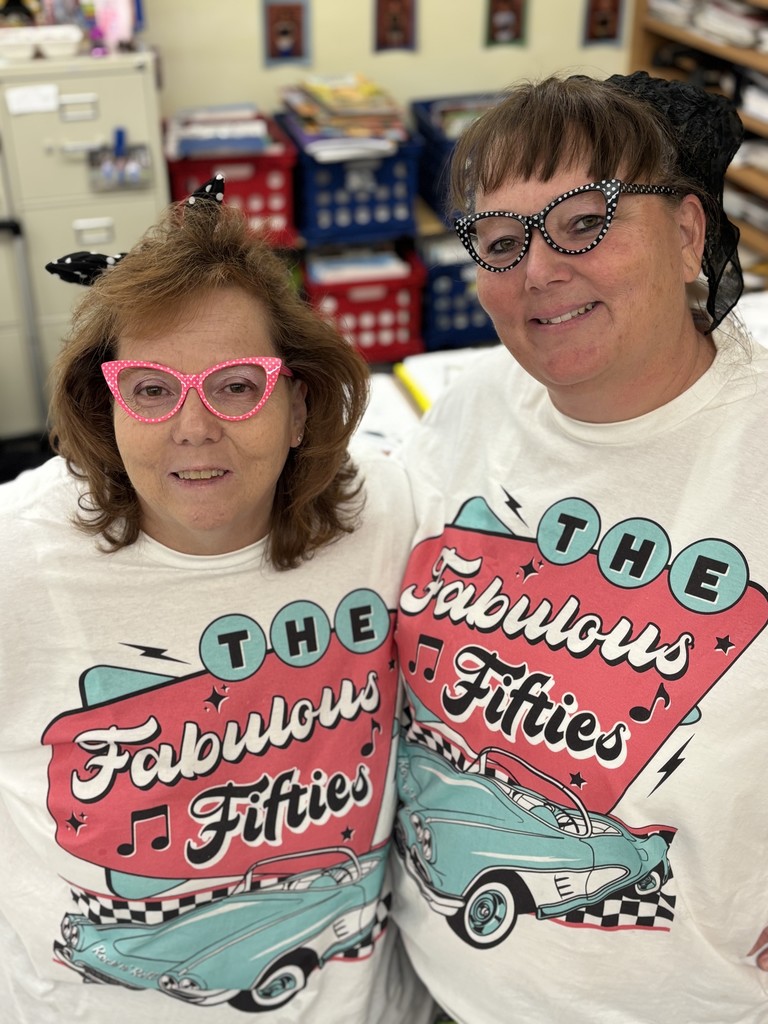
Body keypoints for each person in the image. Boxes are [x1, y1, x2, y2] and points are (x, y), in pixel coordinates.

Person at [0, 176, 434, 1024]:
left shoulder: (390, 516)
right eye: (150, 389)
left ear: (299, 406)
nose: (193, 427)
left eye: (237, 386)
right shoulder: (17, 561)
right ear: (106, 407)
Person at [392, 71, 768, 1022]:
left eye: (584, 222)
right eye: (502, 242)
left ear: (687, 233)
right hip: (441, 987)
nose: (538, 271)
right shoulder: (469, 409)